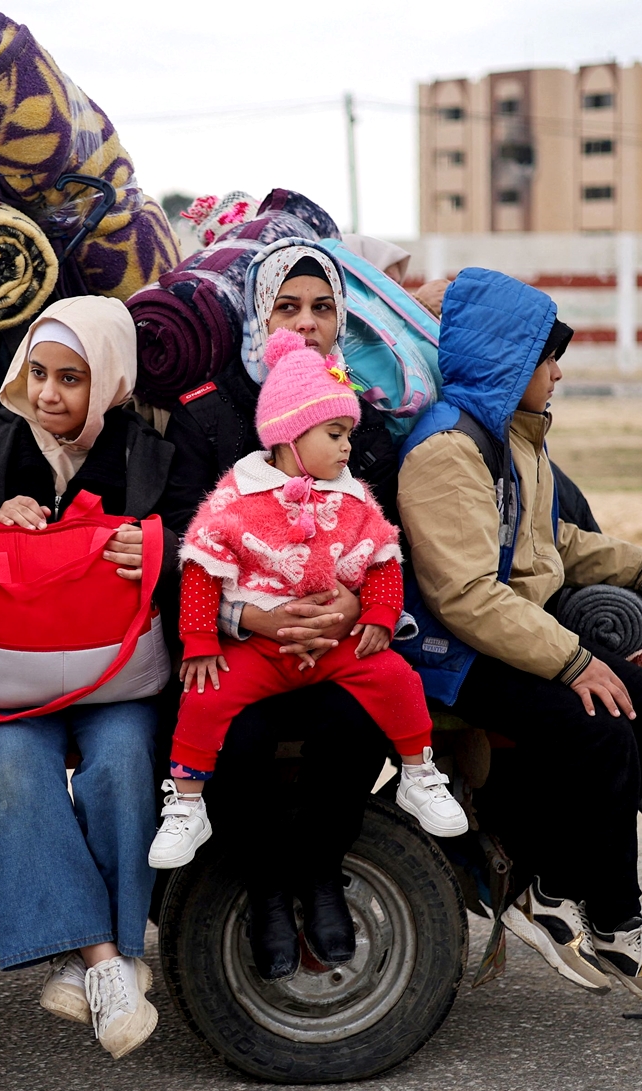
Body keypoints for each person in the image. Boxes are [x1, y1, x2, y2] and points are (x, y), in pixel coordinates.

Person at [397, 267, 642, 1004]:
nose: (558, 372)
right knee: (600, 721)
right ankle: (615, 917)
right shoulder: (447, 452)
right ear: (508, 359)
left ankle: (553, 883)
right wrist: (572, 662)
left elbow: (551, 543)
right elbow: (464, 596)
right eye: (547, 357)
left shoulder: (513, 437)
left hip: (506, 631)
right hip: (449, 652)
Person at [0, 295, 197, 1060]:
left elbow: (208, 535)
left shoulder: (151, 450)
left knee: (126, 757)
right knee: (10, 764)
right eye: (39, 372)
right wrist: (0, 514)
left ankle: (99, 951)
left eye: (72, 377)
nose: (50, 393)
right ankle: (107, 961)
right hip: (13, 665)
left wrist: (155, 551)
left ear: (115, 380)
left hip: (117, 669)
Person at [160, 238, 402, 982]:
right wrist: (249, 615)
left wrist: (355, 603)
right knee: (237, 727)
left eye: (322, 307)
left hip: (333, 640)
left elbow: (390, 541)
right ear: (254, 318)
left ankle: (321, 872)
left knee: (356, 723)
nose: (305, 324)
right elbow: (177, 538)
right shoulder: (208, 416)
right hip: (238, 641)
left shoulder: (363, 424)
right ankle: (266, 888)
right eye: (285, 308)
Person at [150, 328, 466, 874]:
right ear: (290, 436)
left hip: (333, 645)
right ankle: (185, 803)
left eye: (348, 434)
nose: (348, 447)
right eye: (336, 433)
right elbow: (201, 564)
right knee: (203, 697)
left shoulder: (353, 496)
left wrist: (381, 616)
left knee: (397, 677)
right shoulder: (238, 494)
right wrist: (200, 639)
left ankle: (419, 773)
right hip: (258, 649)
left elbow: (384, 560)